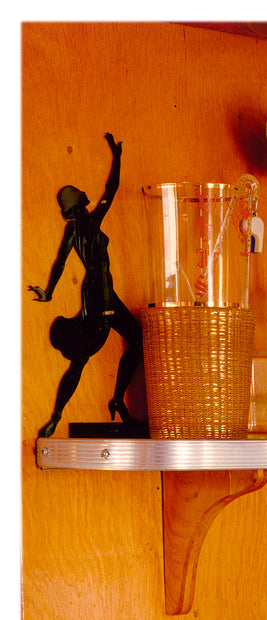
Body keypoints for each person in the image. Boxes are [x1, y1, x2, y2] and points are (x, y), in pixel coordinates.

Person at [28, 132, 143, 437]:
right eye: (80, 206)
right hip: (101, 295)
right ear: (79, 206)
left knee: (125, 346)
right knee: (86, 357)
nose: (81, 209)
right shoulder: (91, 222)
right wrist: (116, 158)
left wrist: (50, 291)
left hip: (102, 295)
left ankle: (112, 402)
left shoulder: (72, 233)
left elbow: (60, 264)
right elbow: (112, 188)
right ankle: (69, 412)